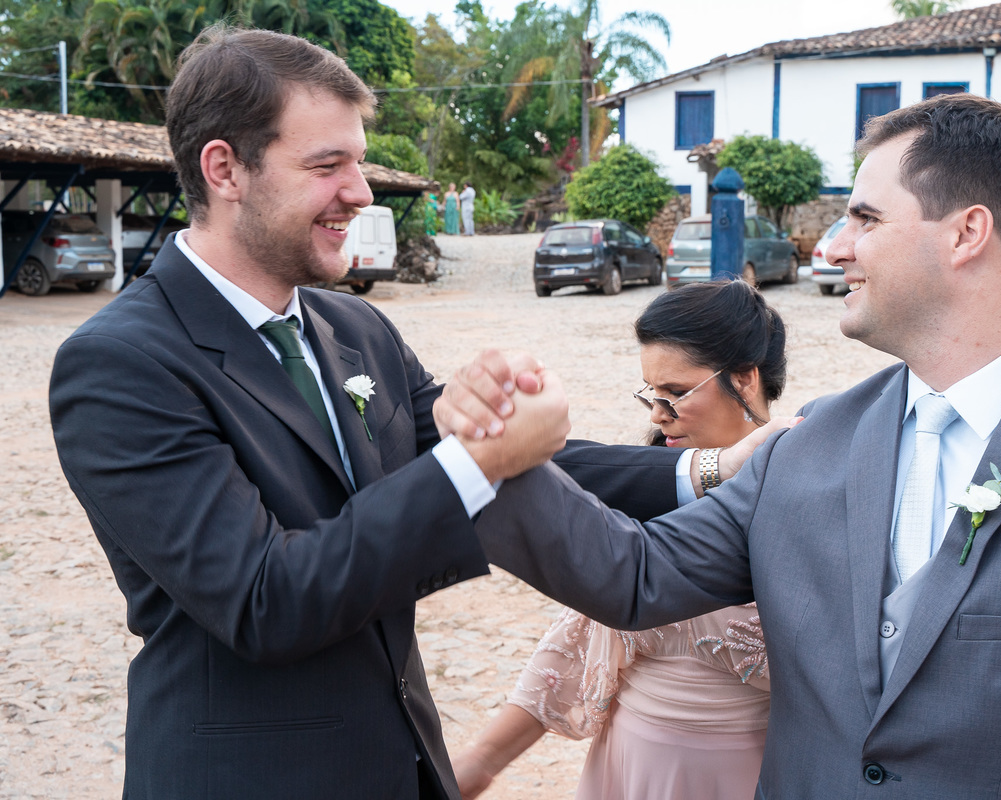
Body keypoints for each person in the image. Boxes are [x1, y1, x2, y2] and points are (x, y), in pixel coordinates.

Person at [447, 93, 1001, 797]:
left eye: (864, 219)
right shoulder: (808, 442)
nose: (835, 247)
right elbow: (633, 574)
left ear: (967, 233)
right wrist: (490, 457)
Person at [47, 26, 678, 800]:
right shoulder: (119, 363)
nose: (362, 191)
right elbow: (265, 600)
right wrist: (479, 460)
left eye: (358, 161)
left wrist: (706, 469)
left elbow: (498, 453)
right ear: (224, 170)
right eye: (328, 166)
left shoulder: (356, 328)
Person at [453, 280, 786, 800]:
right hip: (629, 770)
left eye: (676, 393)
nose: (657, 413)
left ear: (744, 379)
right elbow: (568, 650)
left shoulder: (805, 490)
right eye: (651, 393)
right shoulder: (646, 488)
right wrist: (480, 762)